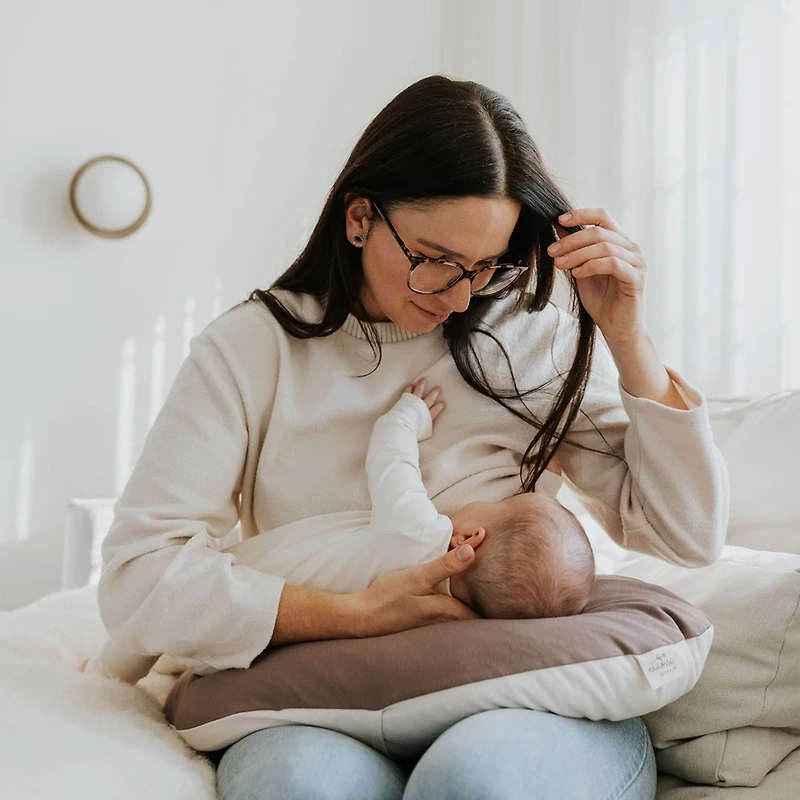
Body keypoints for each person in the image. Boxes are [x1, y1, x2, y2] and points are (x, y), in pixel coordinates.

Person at [95, 75, 729, 799]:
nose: (459, 295)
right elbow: (138, 579)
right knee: (302, 788)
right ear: (359, 217)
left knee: (476, 781)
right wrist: (356, 614)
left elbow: (690, 533)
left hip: (518, 695)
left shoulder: (529, 340)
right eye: (434, 258)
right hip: (321, 699)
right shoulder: (251, 349)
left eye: (486, 266)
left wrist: (627, 335)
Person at [84, 376, 594, 681]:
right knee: (181, 646)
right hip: (254, 647)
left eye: (496, 505)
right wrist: (544, 486)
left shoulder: (419, 533)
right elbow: (524, 549)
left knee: (151, 625)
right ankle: (172, 663)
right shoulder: (452, 618)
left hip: (235, 586)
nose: (486, 500)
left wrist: (409, 414)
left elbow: (390, 459)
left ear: (467, 541)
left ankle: (105, 677)